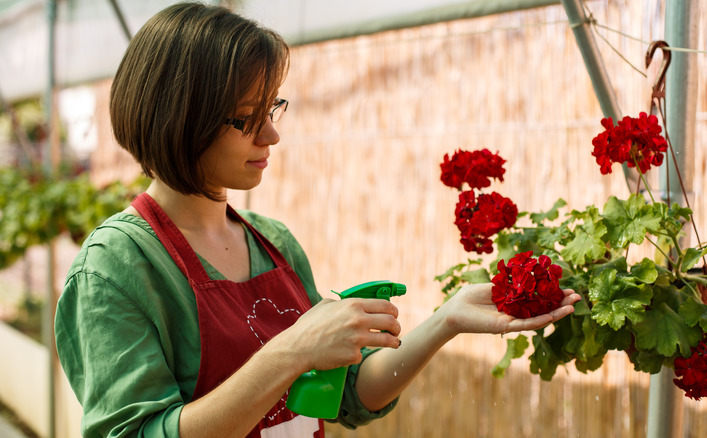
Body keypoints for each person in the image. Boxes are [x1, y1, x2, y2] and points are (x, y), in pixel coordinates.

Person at [54, 3, 581, 437]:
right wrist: (293, 348)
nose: (271, 136)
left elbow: (344, 396)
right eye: (245, 119)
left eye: (272, 109)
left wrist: (446, 321)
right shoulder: (118, 267)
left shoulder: (273, 243)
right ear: (177, 115)